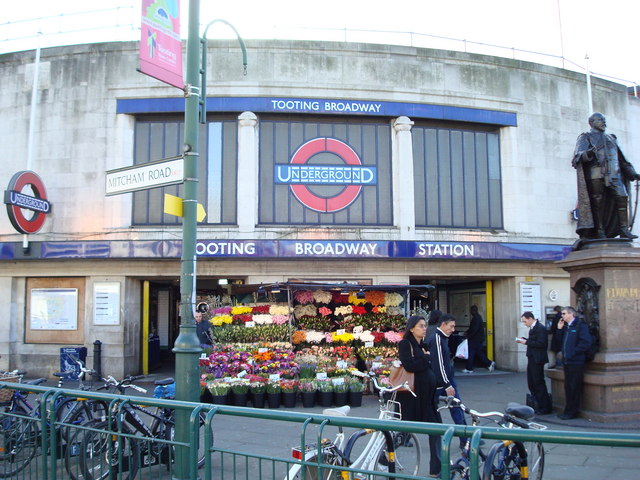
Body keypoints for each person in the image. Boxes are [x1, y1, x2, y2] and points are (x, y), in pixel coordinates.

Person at [572, 112, 640, 240]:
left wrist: (632, 173)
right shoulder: (585, 137)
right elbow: (577, 156)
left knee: (622, 197)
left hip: (614, 175)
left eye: (604, 120)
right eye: (600, 120)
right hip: (596, 174)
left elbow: (621, 160)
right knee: (597, 203)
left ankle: (624, 229)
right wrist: (588, 153)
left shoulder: (611, 138)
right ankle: (599, 230)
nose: (604, 123)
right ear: (592, 123)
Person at [397, 315, 442, 478]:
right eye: (421, 326)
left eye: (425, 326)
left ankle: (436, 467)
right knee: (403, 432)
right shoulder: (405, 344)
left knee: (436, 430)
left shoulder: (421, 345)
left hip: (426, 397)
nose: (424, 328)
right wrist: (426, 358)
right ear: (411, 328)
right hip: (412, 397)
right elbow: (409, 365)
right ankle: (383, 457)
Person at [427, 313, 468, 449]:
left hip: (444, 380)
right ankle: (404, 434)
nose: (453, 329)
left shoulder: (442, 338)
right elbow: (439, 364)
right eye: (451, 326)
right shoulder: (437, 339)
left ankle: (465, 438)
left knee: (456, 407)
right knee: (429, 409)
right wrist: (447, 384)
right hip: (441, 382)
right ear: (443, 324)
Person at [554, 306, 593, 420]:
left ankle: (572, 411)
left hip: (576, 361)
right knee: (568, 387)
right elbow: (559, 341)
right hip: (567, 361)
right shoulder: (567, 326)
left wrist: (573, 353)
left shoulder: (580, 326)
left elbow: (586, 342)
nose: (562, 316)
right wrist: (559, 329)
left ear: (572, 314)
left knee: (574, 386)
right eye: (562, 314)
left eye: (564, 313)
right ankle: (568, 410)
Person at [517, 312, 552, 415]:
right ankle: (538, 405)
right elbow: (535, 341)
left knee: (538, 383)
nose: (524, 323)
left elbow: (542, 343)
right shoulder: (534, 328)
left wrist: (526, 342)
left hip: (537, 359)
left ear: (530, 318)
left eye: (525, 321)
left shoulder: (540, 328)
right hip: (532, 358)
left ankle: (545, 407)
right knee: (532, 383)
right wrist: (526, 340)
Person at [463, 305, 495, 373]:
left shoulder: (476, 318)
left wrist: (468, 335)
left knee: (471, 353)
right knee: (478, 353)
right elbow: (473, 328)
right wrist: (468, 332)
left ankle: (469, 368)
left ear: (473, 311)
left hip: (475, 339)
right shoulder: (478, 317)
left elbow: (474, 329)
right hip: (478, 339)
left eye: (471, 311)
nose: (470, 312)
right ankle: (489, 363)